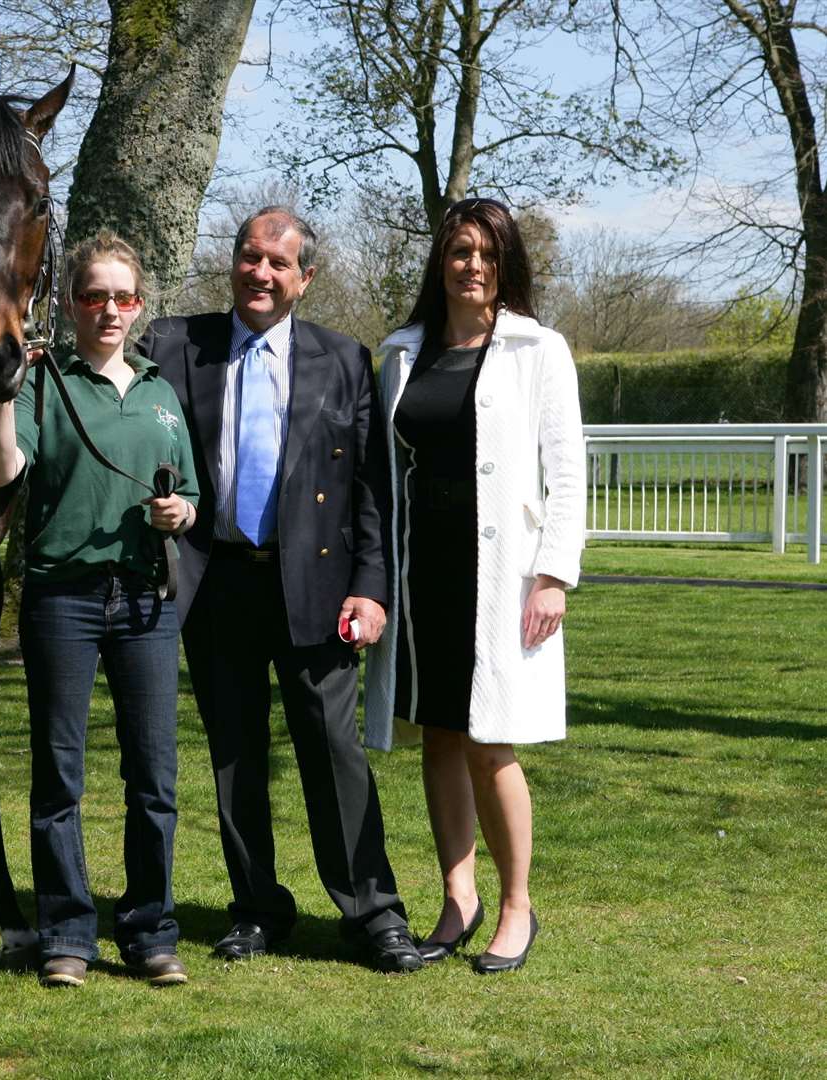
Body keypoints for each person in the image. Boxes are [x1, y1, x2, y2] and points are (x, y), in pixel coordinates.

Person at [139, 207, 422, 974]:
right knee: (235, 756)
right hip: (214, 582)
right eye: (248, 257)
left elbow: (370, 491)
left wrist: (372, 589)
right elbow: (101, 358)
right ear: (233, 262)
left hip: (319, 588)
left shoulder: (342, 360)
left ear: (306, 277)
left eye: (277, 263)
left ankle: (373, 914)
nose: (259, 273)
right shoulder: (172, 345)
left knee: (334, 755)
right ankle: (258, 908)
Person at [364, 197, 585, 974]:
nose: (473, 265)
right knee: (439, 734)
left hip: (504, 566)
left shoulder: (537, 348)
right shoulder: (400, 351)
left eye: (488, 253)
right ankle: (459, 898)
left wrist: (554, 574)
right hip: (422, 562)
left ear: (507, 264)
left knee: (493, 739)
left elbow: (567, 467)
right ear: (441, 260)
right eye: (460, 251)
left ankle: (519, 905)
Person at [0, 231, 199, 988]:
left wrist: (182, 514)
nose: (110, 310)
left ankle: (150, 931)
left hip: (145, 600)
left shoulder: (160, 390)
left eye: (124, 297)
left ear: (141, 305)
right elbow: (6, 466)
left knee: (154, 777)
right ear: (71, 303)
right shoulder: (47, 380)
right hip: (62, 599)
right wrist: (1, 393)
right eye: (95, 296)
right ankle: (68, 936)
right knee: (59, 777)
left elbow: (193, 497)